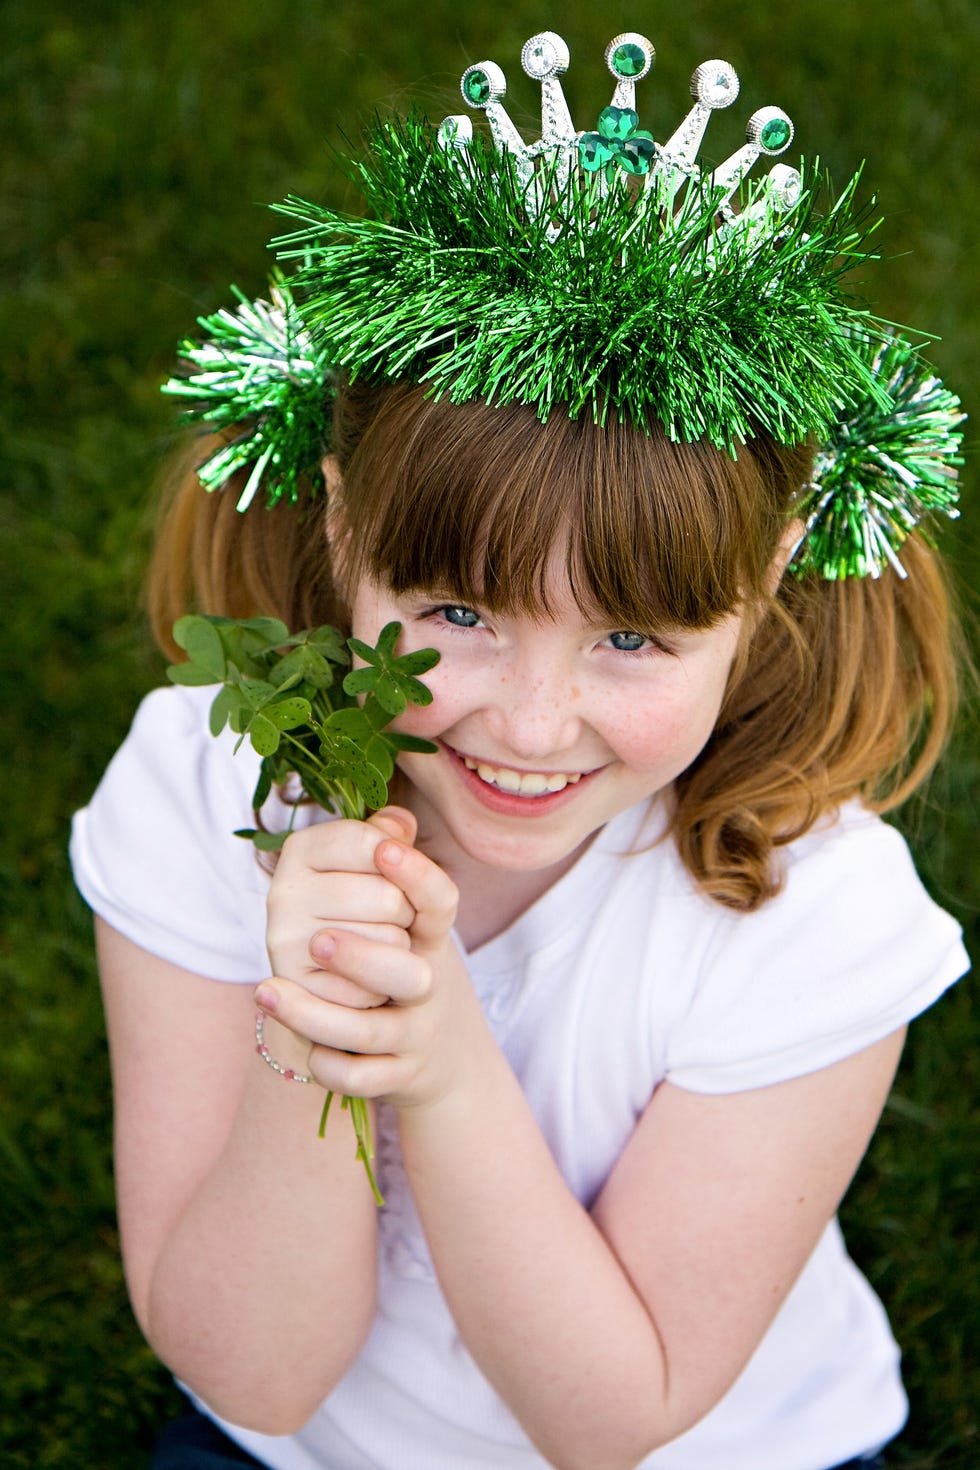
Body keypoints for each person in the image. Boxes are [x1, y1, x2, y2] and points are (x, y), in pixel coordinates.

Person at [70, 27, 968, 1470]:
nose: (532, 725)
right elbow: (256, 1368)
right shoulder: (204, 790)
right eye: (458, 612)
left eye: (631, 641)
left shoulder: (815, 918)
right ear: (346, 520)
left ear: (770, 580)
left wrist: (435, 1063)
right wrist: (316, 1032)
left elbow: (611, 1414)